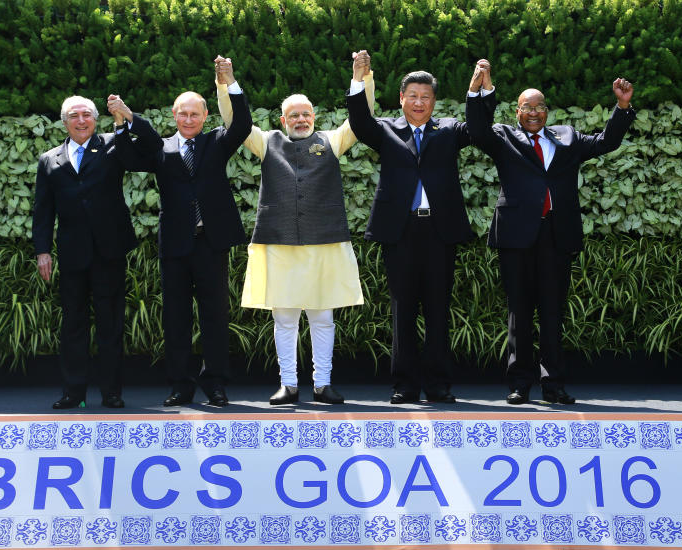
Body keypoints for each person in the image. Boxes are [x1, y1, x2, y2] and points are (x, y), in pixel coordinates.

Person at [466, 61, 635, 405]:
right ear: (517, 110)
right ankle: (519, 384)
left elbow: (606, 142)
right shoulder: (502, 136)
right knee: (520, 311)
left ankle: (553, 384)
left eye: (539, 106)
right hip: (516, 236)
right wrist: (479, 90)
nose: (533, 112)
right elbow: (477, 128)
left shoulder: (568, 137)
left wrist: (622, 107)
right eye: (527, 106)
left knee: (553, 312)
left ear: (547, 111)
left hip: (556, 235)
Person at [219, 51, 375, 405]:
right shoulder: (266, 141)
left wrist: (360, 78)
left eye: (306, 114)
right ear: (282, 119)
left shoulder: (333, 141)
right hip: (278, 243)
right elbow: (234, 120)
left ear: (314, 117)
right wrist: (227, 83)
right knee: (285, 319)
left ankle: (323, 385)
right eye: (294, 115)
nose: (301, 120)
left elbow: (362, 117)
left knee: (322, 318)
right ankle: (287, 384)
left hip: (324, 243)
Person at [106, 56, 251, 407]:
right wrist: (124, 123)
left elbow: (243, 124)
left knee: (215, 316)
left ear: (205, 117)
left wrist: (230, 81)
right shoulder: (161, 149)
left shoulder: (217, 141)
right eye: (183, 114)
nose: (188, 119)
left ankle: (215, 383)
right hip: (174, 246)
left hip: (211, 242)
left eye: (195, 114)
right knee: (176, 318)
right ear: (174, 115)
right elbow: (124, 155)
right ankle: (180, 385)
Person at [347, 59, 486, 404]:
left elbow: (480, 129)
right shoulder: (386, 130)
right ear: (401, 98)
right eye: (413, 95)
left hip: (439, 232)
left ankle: (438, 384)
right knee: (403, 309)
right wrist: (357, 79)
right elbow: (360, 122)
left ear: (434, 101)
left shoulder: (450, 130)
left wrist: (475, 90)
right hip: (401, 231)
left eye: (426, 96)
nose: (419, 102)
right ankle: (405, 385)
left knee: (438, 310)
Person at [33, 95, 137, 409]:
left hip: (109, 251)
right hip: (72, 252)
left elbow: (138, 152)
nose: (81, 121)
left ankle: (111, 392)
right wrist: (43, 251)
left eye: (87, 115)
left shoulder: (112, 145)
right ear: (65, 122)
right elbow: (43, 209)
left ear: (95, 119)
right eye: (75, 116)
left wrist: (124, 117)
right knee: (73, 325)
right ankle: (73, 392)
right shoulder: (49, 159)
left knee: (110, 324)